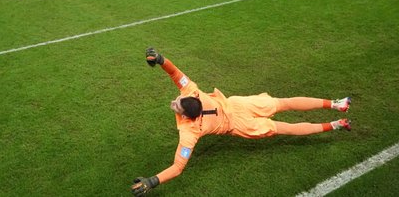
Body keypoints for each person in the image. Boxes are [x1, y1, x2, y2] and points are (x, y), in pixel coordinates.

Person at [130, 48, 351, 196]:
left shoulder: (190, 132)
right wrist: (160, 60)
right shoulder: (193, 93)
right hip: (240, 105)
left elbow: (178, 167)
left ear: (187, 116)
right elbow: (176, 75)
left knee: (287, 127)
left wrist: (152, 182)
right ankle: (335, 108)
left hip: (240, 124)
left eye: (177, 103)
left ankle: (335, 118)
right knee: (285, 104)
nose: (175, 100)